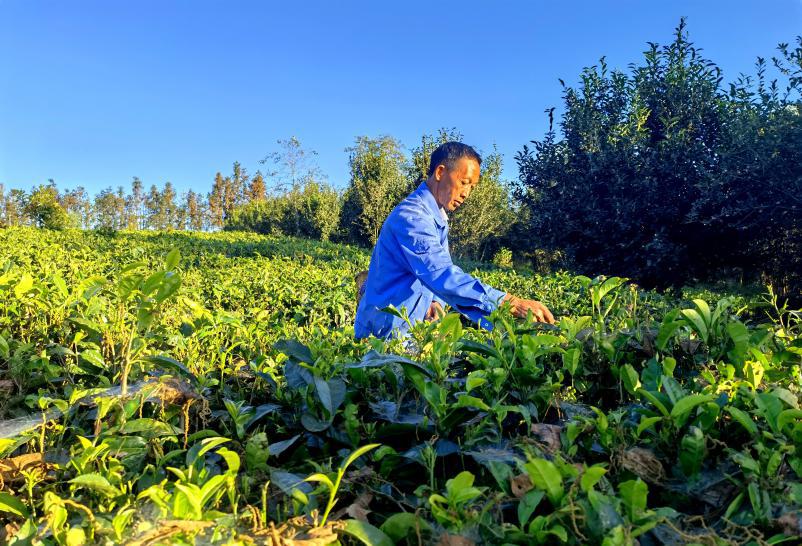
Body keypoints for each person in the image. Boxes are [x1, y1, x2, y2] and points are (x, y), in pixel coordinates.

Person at [354, 141, 555, 340]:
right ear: (441, 172)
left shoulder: (437, 217)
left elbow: (433, 270)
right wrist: (508, 302)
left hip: (408, 330)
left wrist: (435, 302)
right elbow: (441, 273)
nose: (466, 193)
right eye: (464, 182)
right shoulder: (413, 218)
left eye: (472, 186)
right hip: (382, 335)